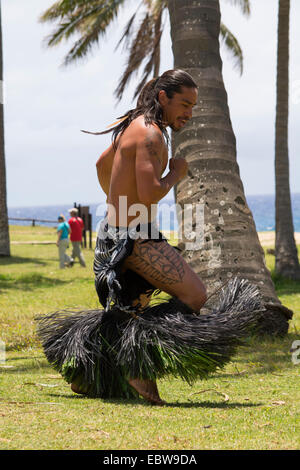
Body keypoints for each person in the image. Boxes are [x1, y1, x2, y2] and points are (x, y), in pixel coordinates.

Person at [37, 70, 264, 406]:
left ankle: (89, 374)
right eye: (184, 104)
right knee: (194, 295)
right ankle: (135, 366)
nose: (189, 112)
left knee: (130, 313)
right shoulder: (151, 134)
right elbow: (150, 192)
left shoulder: (133, 125)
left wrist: (117, 200)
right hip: (134, 239)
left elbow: (102, 163)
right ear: (163, 97)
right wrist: (176, 171)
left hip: (113, 234)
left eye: (193, 106)